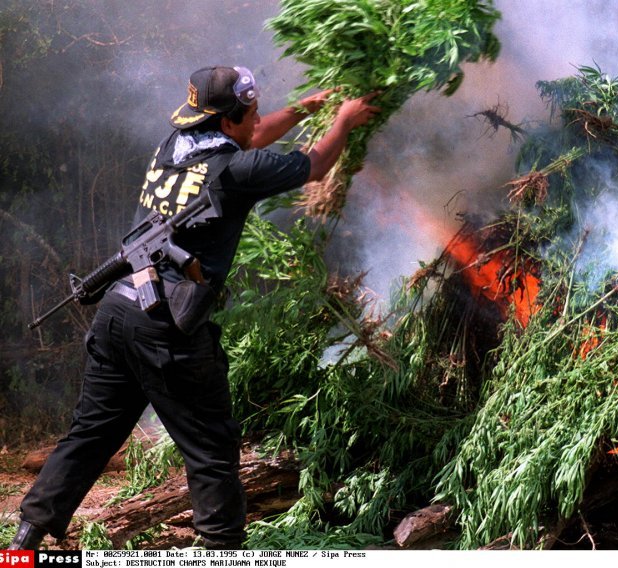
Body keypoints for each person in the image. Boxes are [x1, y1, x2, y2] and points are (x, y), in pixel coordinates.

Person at [9, 65, 380, 550]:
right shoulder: (238, 170)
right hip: (165, 326)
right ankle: (222, 551)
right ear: (227, 122)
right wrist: (344, 122)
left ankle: (24, 541)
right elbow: (314, 166)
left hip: (117, 315)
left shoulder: (173, 146)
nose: (258, 120)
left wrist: (302, 108)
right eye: (250, 113)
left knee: (90, 435)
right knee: (211, 447)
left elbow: (250, 136)